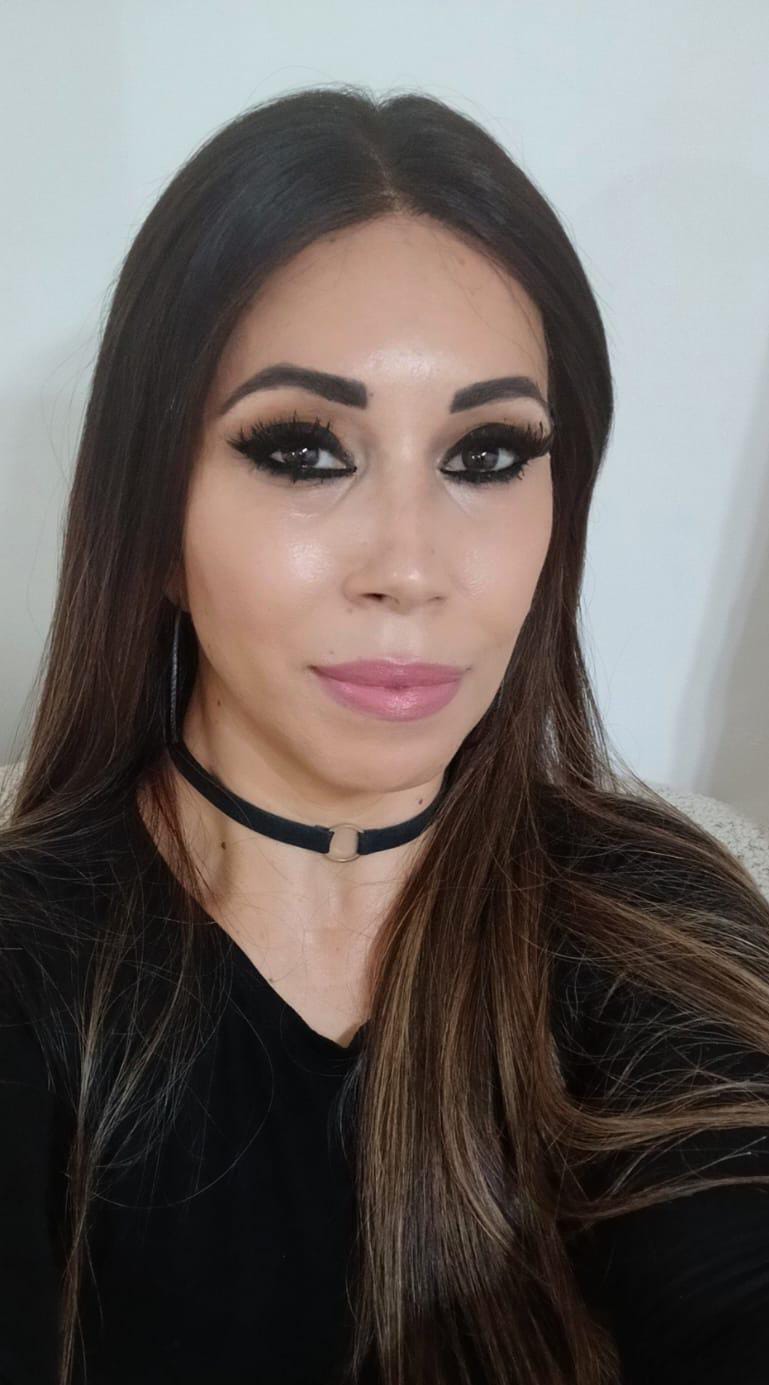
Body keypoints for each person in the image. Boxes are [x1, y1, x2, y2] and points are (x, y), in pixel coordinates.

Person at [2, 84, 769, 1385]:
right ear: (152, 520)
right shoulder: (27, 970)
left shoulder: (659, 923)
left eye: (486, 454)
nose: (410, 569)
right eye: (302, 450)